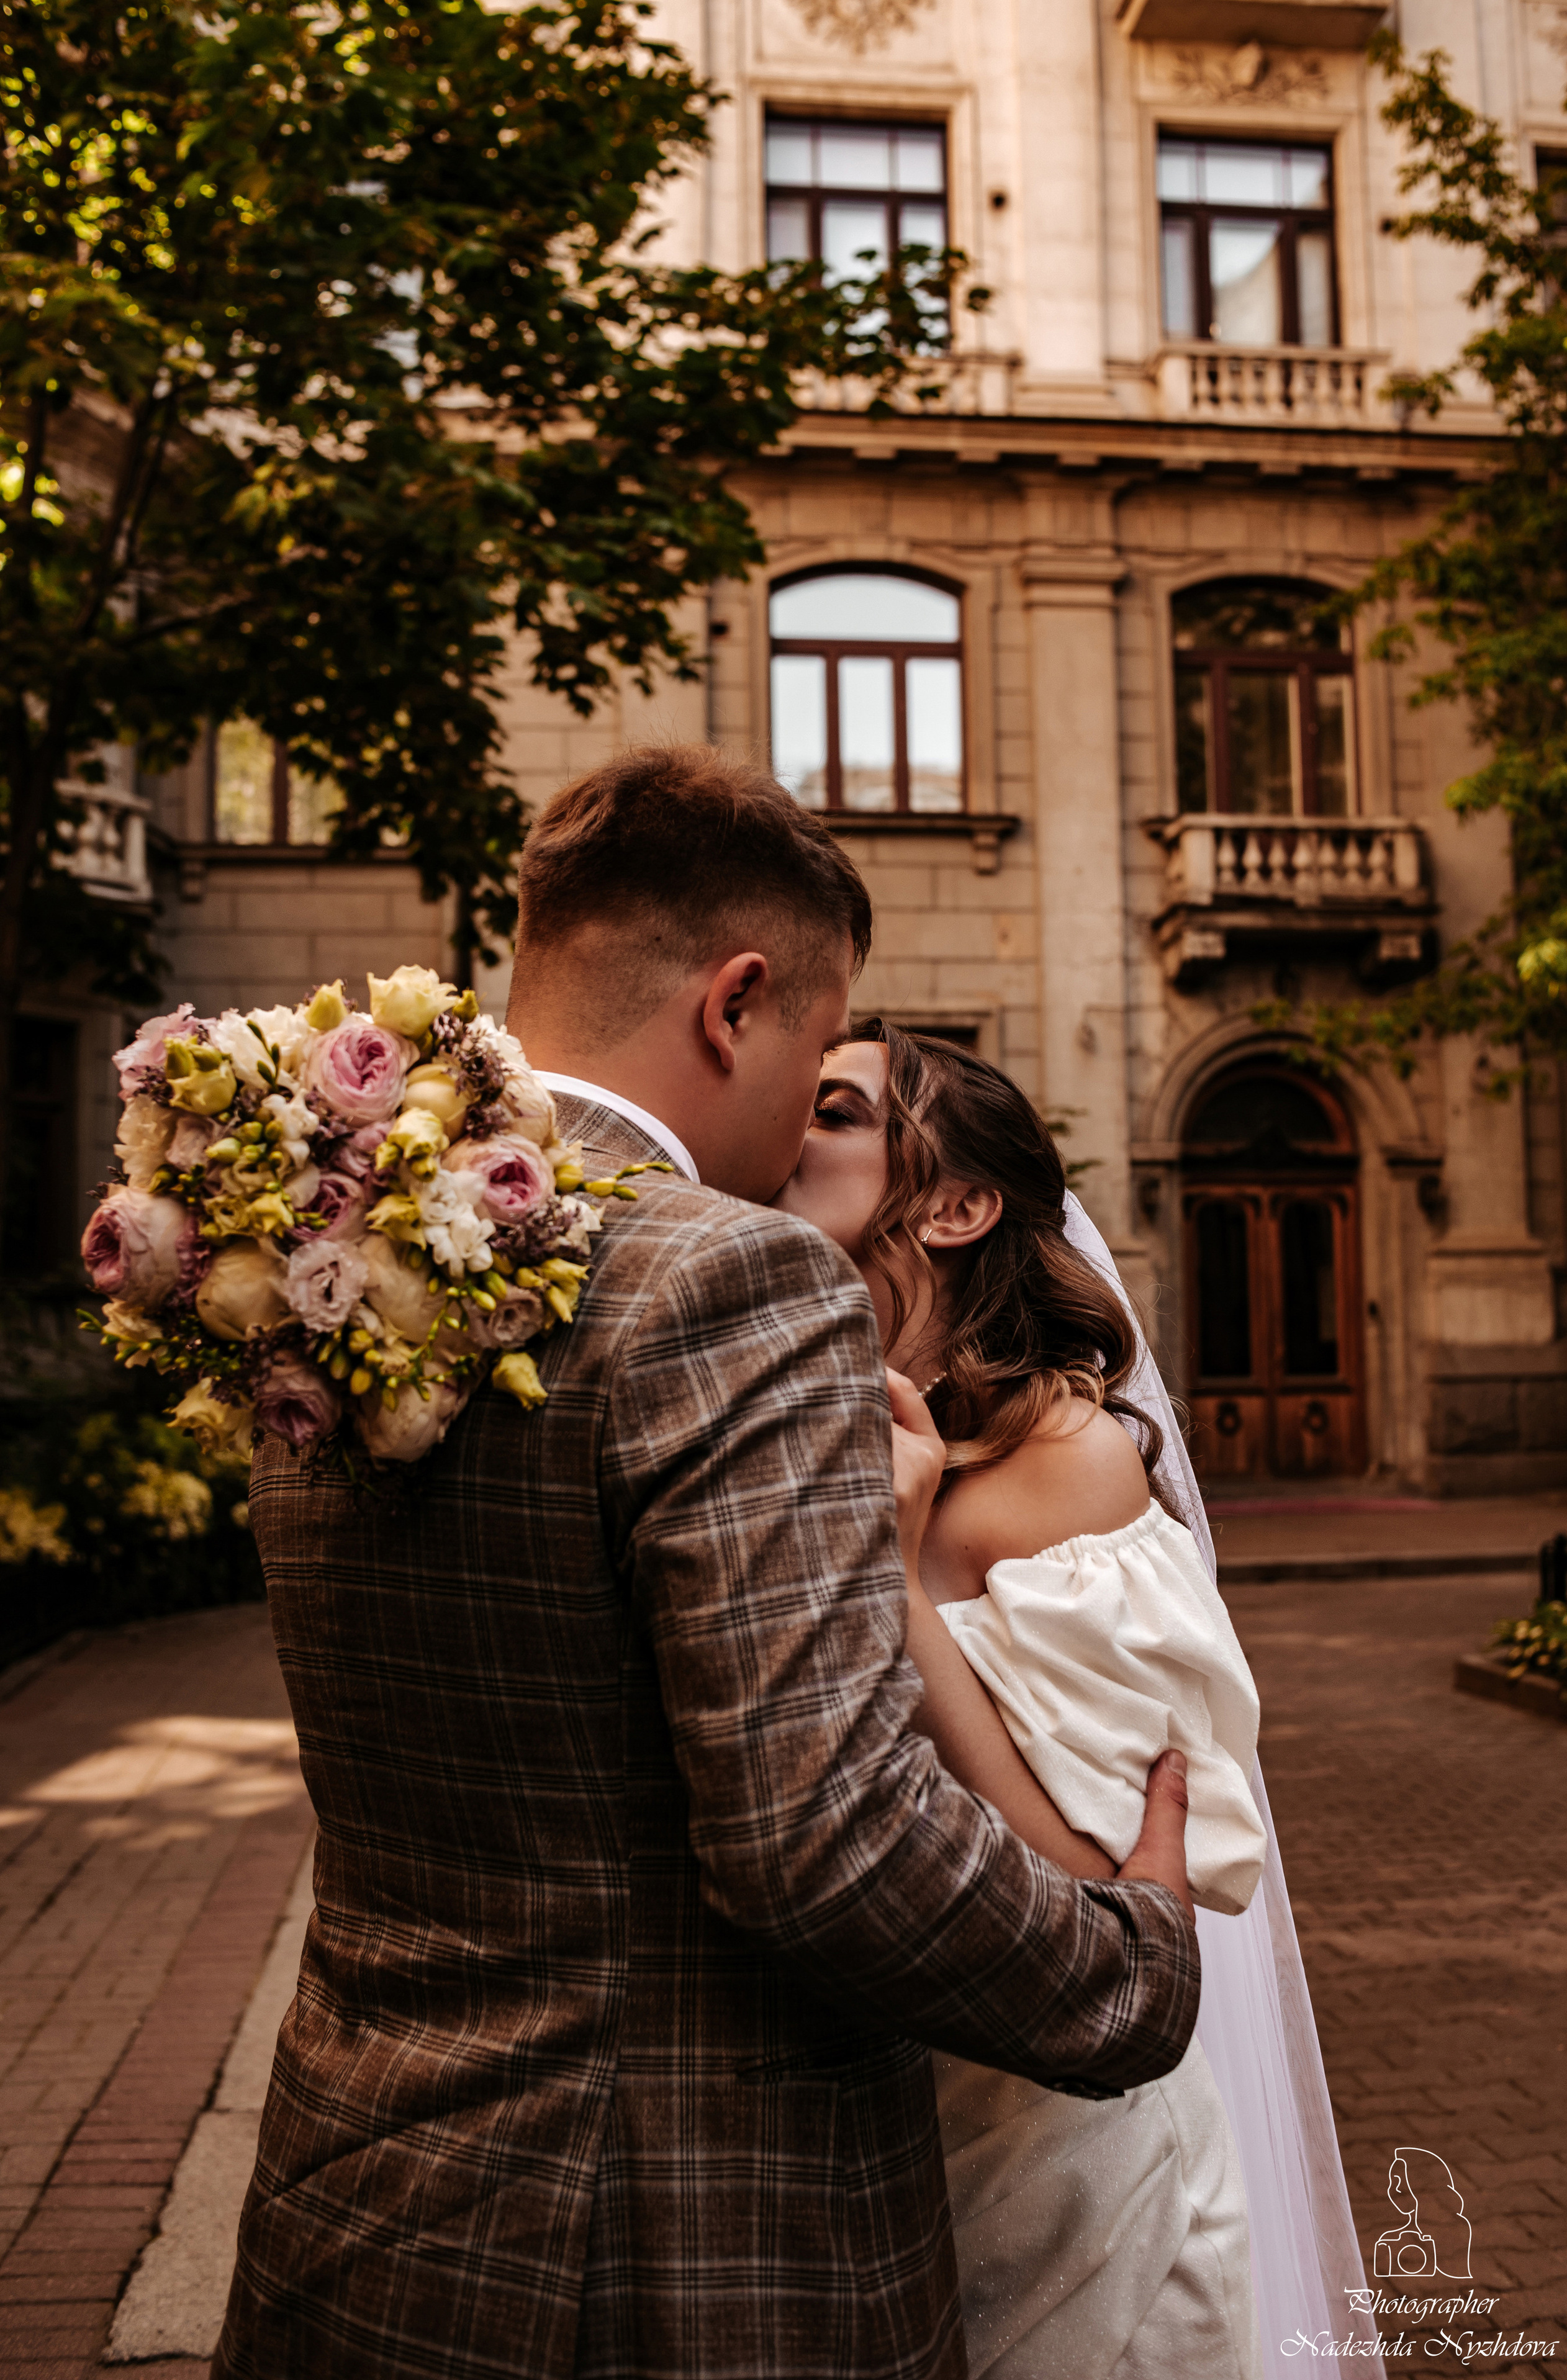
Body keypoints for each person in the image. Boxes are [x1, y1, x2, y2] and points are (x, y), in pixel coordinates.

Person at [214, 746, 1199, 2380]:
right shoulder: (733, 1281)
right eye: (816, 1053)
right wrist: (1136, 1958)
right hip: (669, 2252)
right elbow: (826, 1842)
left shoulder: (319, 1255)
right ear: (738, 1004)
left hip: (355, 2198)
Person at [775, 1020, 1384, 2380]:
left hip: (1059, 2145)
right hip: (879, 2117)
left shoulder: (1069, 1460)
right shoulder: (816, 1419)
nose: (791, 1128)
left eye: (836, 1107)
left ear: (956, 1203)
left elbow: (1109, 1891)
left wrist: (899, 1579)